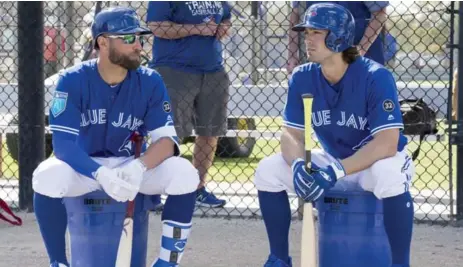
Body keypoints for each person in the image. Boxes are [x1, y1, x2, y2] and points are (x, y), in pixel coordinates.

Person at [32, 7, 199, 267]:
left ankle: (167, 262)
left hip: (129, 168)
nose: (139, 46)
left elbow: (167, 141)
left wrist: (139, 166)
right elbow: (63, 146)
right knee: (46, 175)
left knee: (185, 173)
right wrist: (99, 173)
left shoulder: (151, 80)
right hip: (84, 170)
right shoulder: (72, 80)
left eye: (140, 38)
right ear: (103, 41)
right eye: (129, 38)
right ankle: (58, 263)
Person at [254, 4, 414, 267]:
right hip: (333, 160)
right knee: (268, 170)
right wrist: (296, 165)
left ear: (338, 36)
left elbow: (387, 144)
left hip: (373, 163)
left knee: (390, 174)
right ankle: (279, 259)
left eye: (316, 32)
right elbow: (291, 134)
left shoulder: (376, 76)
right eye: (307, 32)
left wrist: (335, 171)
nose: (308, 38)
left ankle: (400, 264)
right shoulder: (303, 77)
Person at [146, 1, 232, 208]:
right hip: (174, 69)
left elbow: (226, 17)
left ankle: (197, 188)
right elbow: (156, 26)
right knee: (169, 133)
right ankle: (156, 190)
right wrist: (197, 29)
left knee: (210, 131)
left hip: (212, 69)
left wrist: (224, 27)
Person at [287, 1, 389, 73]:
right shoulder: (300, 76)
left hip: (362, 50)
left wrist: (360, 50)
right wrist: (292, 55)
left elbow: (380, 13)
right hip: (321, 59)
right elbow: (296, 14)